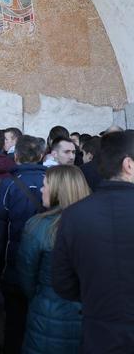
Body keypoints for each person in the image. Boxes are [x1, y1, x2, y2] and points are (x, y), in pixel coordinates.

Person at [53, 131, 134, 352]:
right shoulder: (75, 214)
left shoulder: (74, 214)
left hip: (98, 333)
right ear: (128, 165)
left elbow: (63, 282)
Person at [17, 166, 90, 354]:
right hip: (90, 315)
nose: (41, 189)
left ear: (58, 190)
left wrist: (41, 297)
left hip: (47, 314)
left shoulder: (38, 226)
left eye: (45, 185)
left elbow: (26, 276)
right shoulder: (97, 223)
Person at [0, 135, 46, 354]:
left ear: (16, 156)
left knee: (14, 322)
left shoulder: (8, 185)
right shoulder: (54, 180)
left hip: (14, 267)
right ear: (41, 155)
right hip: (47, 266)